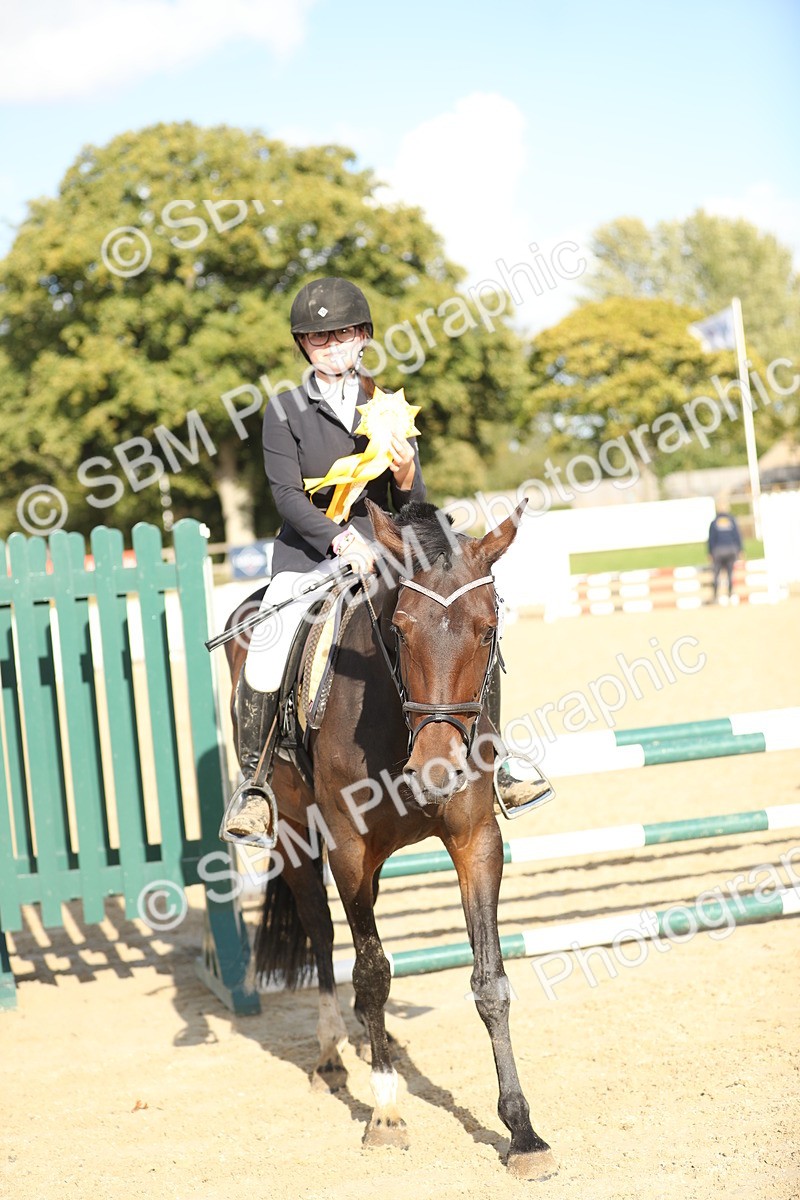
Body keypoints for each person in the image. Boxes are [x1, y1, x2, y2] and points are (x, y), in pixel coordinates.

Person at [223, 277, 426, 843]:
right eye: (318, 339)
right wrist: (341, 540)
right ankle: (258, 788)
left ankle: (495, 756)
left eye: (342, 334)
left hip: (384, 552)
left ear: (363, 336)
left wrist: (407, 475)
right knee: (267, 647)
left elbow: (411, 502)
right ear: (304, 346)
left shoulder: (386, 408)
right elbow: (286, 496)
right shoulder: (285, 409)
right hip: (310, 555)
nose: (332, 346)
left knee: (450, 620)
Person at [707, 504, 743, 604]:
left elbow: (711, 539)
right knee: (730, 573)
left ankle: (715, 596)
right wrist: (740, 549)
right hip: (731, 550)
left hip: (718, 551)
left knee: (716, 574)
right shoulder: (732, 521)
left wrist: (709, 552)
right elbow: (737, 536)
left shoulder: (714, 522)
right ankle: (730, 594)